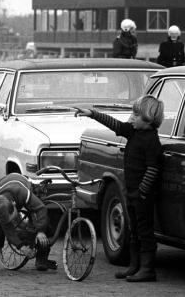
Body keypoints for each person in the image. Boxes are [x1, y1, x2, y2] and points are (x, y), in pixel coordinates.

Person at [75, 95, 164, 282]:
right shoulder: (133, 132)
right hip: (131, 192)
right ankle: (134, 265)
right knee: (133, 229)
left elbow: (153, 168)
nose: (132, 118)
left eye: (136, 115)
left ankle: (148, 269)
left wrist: (142, 191)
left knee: (144, 230)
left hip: (142, 195)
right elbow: (114, 124)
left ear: (148, 119)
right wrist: (92, 114)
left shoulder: (151, 141)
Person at [0, 173, 57, 274]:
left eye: (12, 218)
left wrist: (40, 231)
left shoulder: (22, 193)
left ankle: (41, 259)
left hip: (21, 183)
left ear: (14, 205)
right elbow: (9, 232)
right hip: (3, 186)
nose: (11, 222)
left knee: (42, 220)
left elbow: (41, 208)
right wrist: (21, 246)